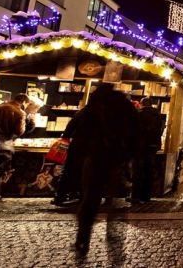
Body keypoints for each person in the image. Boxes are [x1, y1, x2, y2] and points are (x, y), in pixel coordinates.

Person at [68, 83, 139, 255]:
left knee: (90, 198)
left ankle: (82, 238)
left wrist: (79, 156)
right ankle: (114, 237)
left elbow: (76, 132)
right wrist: (128, 155)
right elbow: (136, 131)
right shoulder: (125, 107)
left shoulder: (91, 109)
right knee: (114, 197)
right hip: (117, 159)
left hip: (94, 158)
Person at [129, 97, 164, 203]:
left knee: (138, 171)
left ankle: (136, 196)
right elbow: (161, 130)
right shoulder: (157, 115)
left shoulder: (139, 114)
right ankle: (146, 196)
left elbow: (134, 130)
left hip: (140, 146)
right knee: (149, 171)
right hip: (153, 146)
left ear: (142, 104)